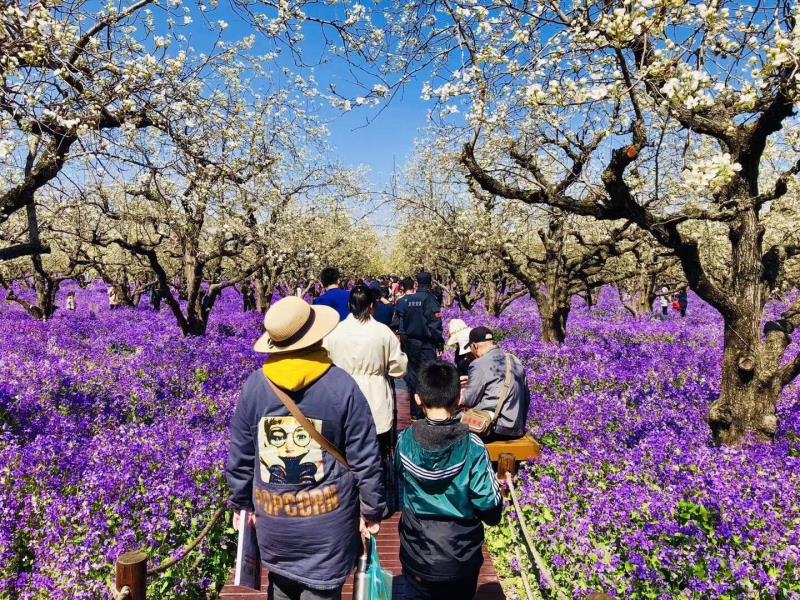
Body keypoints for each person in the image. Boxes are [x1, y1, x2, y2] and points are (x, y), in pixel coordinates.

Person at [226, 296, 385, 599]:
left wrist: (240, 503)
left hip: (274, 523)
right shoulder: (342, 386)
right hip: (329, 529)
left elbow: (242, 455)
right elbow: (365, 458)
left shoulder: (255, 387)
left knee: (281, 583)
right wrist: (372, 510)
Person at [397, 361, 502, 600]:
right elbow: (489, 503)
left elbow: (397, 482)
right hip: (461, 557)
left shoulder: (404, 441)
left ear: (417, 400)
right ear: (458, 400)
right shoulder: (473, 446)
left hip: (417, 553)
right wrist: (493, 515)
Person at [324, 285, 407, 458]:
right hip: (376, 397)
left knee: (346, 451)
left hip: (342, 396)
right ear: (371, 306)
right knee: (377, 452)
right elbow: (399, 367)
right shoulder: (382, 332)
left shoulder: (334, 333)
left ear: (349, 306)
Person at [461, 326, 530, 442]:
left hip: (494, 429)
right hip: (517, 429)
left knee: (453, 421)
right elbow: (527, 397)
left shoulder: (478, 364)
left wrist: (461, 390)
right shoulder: (514, 360)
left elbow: (469, 400)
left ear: (474, 346)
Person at [395, 272, 444, 418]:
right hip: (426, 345)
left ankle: (414, 411)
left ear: (417, 283)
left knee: (413, 377)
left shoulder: (408, 300)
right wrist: (439, 341)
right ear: (430, 283)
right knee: (428, 377)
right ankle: (427, 410)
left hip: (411, 344)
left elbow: (403, 323)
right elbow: (435, 325)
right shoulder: (430, 300)